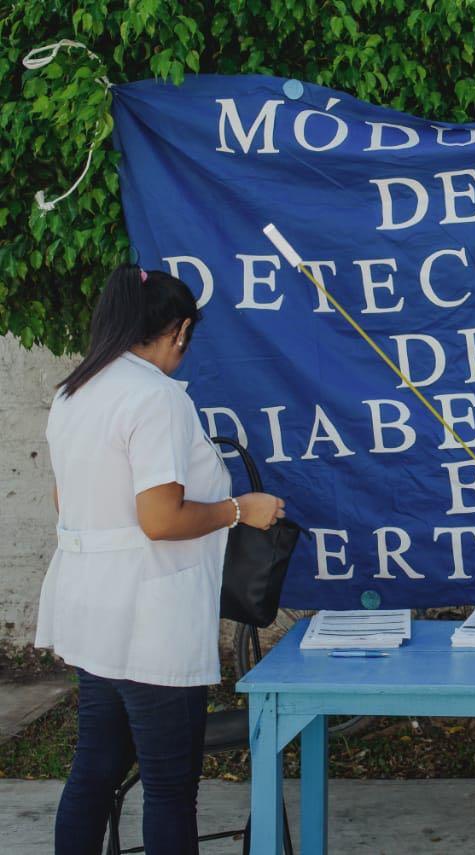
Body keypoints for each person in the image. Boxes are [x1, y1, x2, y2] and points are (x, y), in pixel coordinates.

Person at [36, 264, 286, 855]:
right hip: (148, 617)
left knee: (94, 772)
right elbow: (161, 519)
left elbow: (63, 498)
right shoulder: (154, 398)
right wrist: (238, 509)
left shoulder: (73, 392)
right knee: (170, 787)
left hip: (92, 607)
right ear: (178, 332)